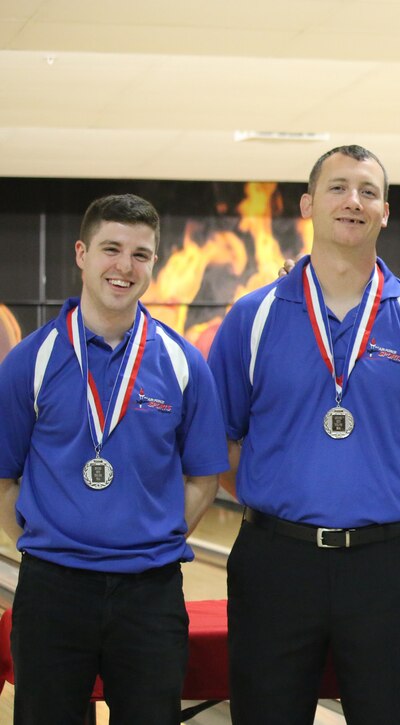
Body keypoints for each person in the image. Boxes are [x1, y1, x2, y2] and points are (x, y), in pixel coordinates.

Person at [208, 145, 400, 724]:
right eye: (338, 188)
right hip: (275, 561)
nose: (353, 201)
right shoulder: (252, 317)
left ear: (385, 212)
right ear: (307, 204)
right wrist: (274, 490)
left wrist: (379, 494)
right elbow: (221, 443)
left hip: (387, 566)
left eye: (367, 192)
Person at [0, 194, 227, 724]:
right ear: (81, 253)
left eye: (141, 254)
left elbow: (204, 477)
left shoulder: (182, 362)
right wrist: (45, 540)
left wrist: (157, 537)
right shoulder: (29, 361)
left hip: (150, 593)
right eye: (111, 249)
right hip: (52, 590)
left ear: (154, 263)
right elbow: (2, 475)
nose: (124, 266)